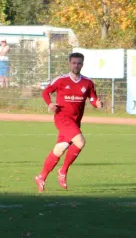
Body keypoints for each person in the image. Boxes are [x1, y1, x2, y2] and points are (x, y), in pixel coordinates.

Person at [34, 52, 102, 192]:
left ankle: (41, 177)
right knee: (80, 142)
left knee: (60, 149)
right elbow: (46, 92)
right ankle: (63, 171)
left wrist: (98, 104)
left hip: (76, 121)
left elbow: (93, 99)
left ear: (82, 64)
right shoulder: (61, 80)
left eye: (79, 63)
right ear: (69, 64)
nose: (76, 65)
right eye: (73, 63)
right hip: (62, 118)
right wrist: (50, 104)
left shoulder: (88, 82)